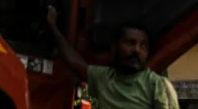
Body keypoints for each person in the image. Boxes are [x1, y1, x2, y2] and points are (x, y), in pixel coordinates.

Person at [46, 6, 179, 109]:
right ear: (114, 47)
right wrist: (53, 26)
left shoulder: (157, 85)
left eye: (143, 46)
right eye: (130, 43)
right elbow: (73, 61)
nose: (136, 50)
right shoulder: (104, 78)